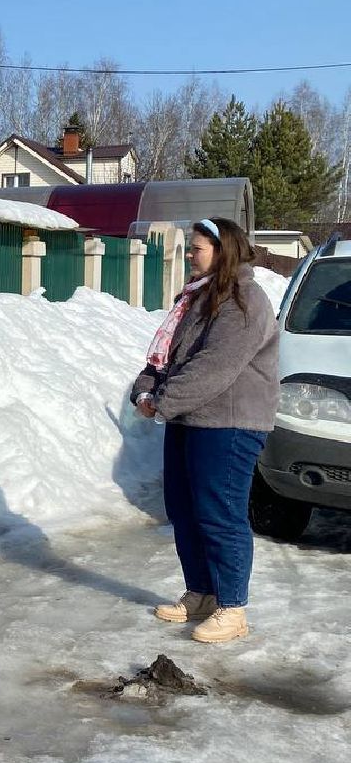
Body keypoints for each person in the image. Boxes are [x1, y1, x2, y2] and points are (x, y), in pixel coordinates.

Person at [131, 217, 278, 644]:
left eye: (196, 248)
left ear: (223, 250)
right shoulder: (198, 296)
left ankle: (232, 608)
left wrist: (162, 401)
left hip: (230, 421)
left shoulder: (244, 300)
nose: (190, 255)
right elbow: (169, 356)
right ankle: (202, 593)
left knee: (220, 512)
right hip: (191, 417)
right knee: (183, 508)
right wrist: (145, 387)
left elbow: (214, 366)